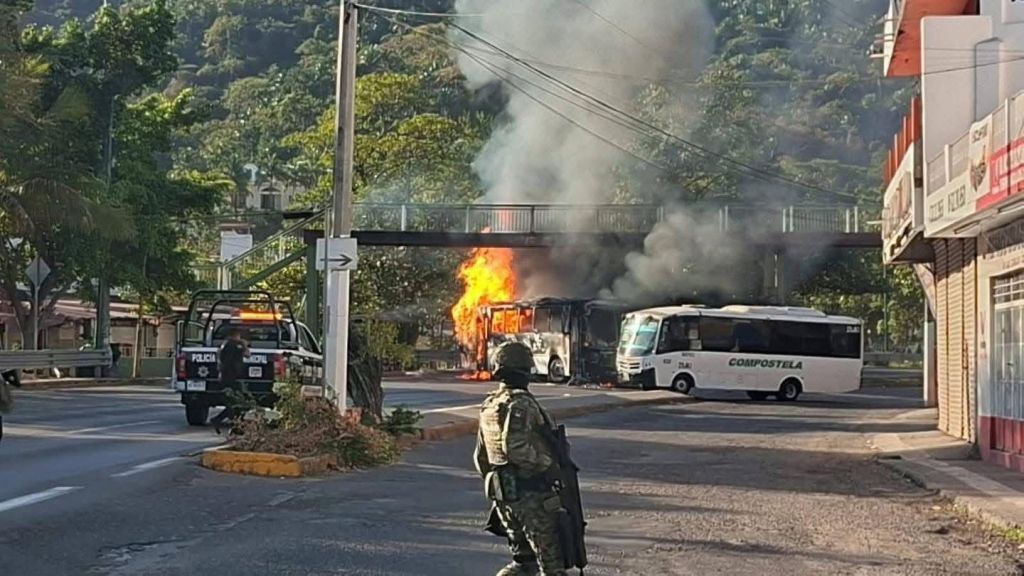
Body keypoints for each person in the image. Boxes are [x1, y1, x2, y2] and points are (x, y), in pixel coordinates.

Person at [474, 342, 566, 576]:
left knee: (523, 563)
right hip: (531, 496)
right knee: (552, 566)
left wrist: (501, 485)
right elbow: (515, 448)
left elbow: (481, 457)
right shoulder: (520, 403)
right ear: (523, 371)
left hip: (505, 497)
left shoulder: (490, 405)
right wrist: (549, 466)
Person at [210, 326, 248, 434]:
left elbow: (219, 358)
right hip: (232, 377)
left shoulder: (224, 345)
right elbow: (247, 354)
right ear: (236, 335)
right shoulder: (236, 345)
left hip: (224, 377)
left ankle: (236, 427)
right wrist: (244, 345)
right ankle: (218, 420)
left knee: (234, 404)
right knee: (237, 403)